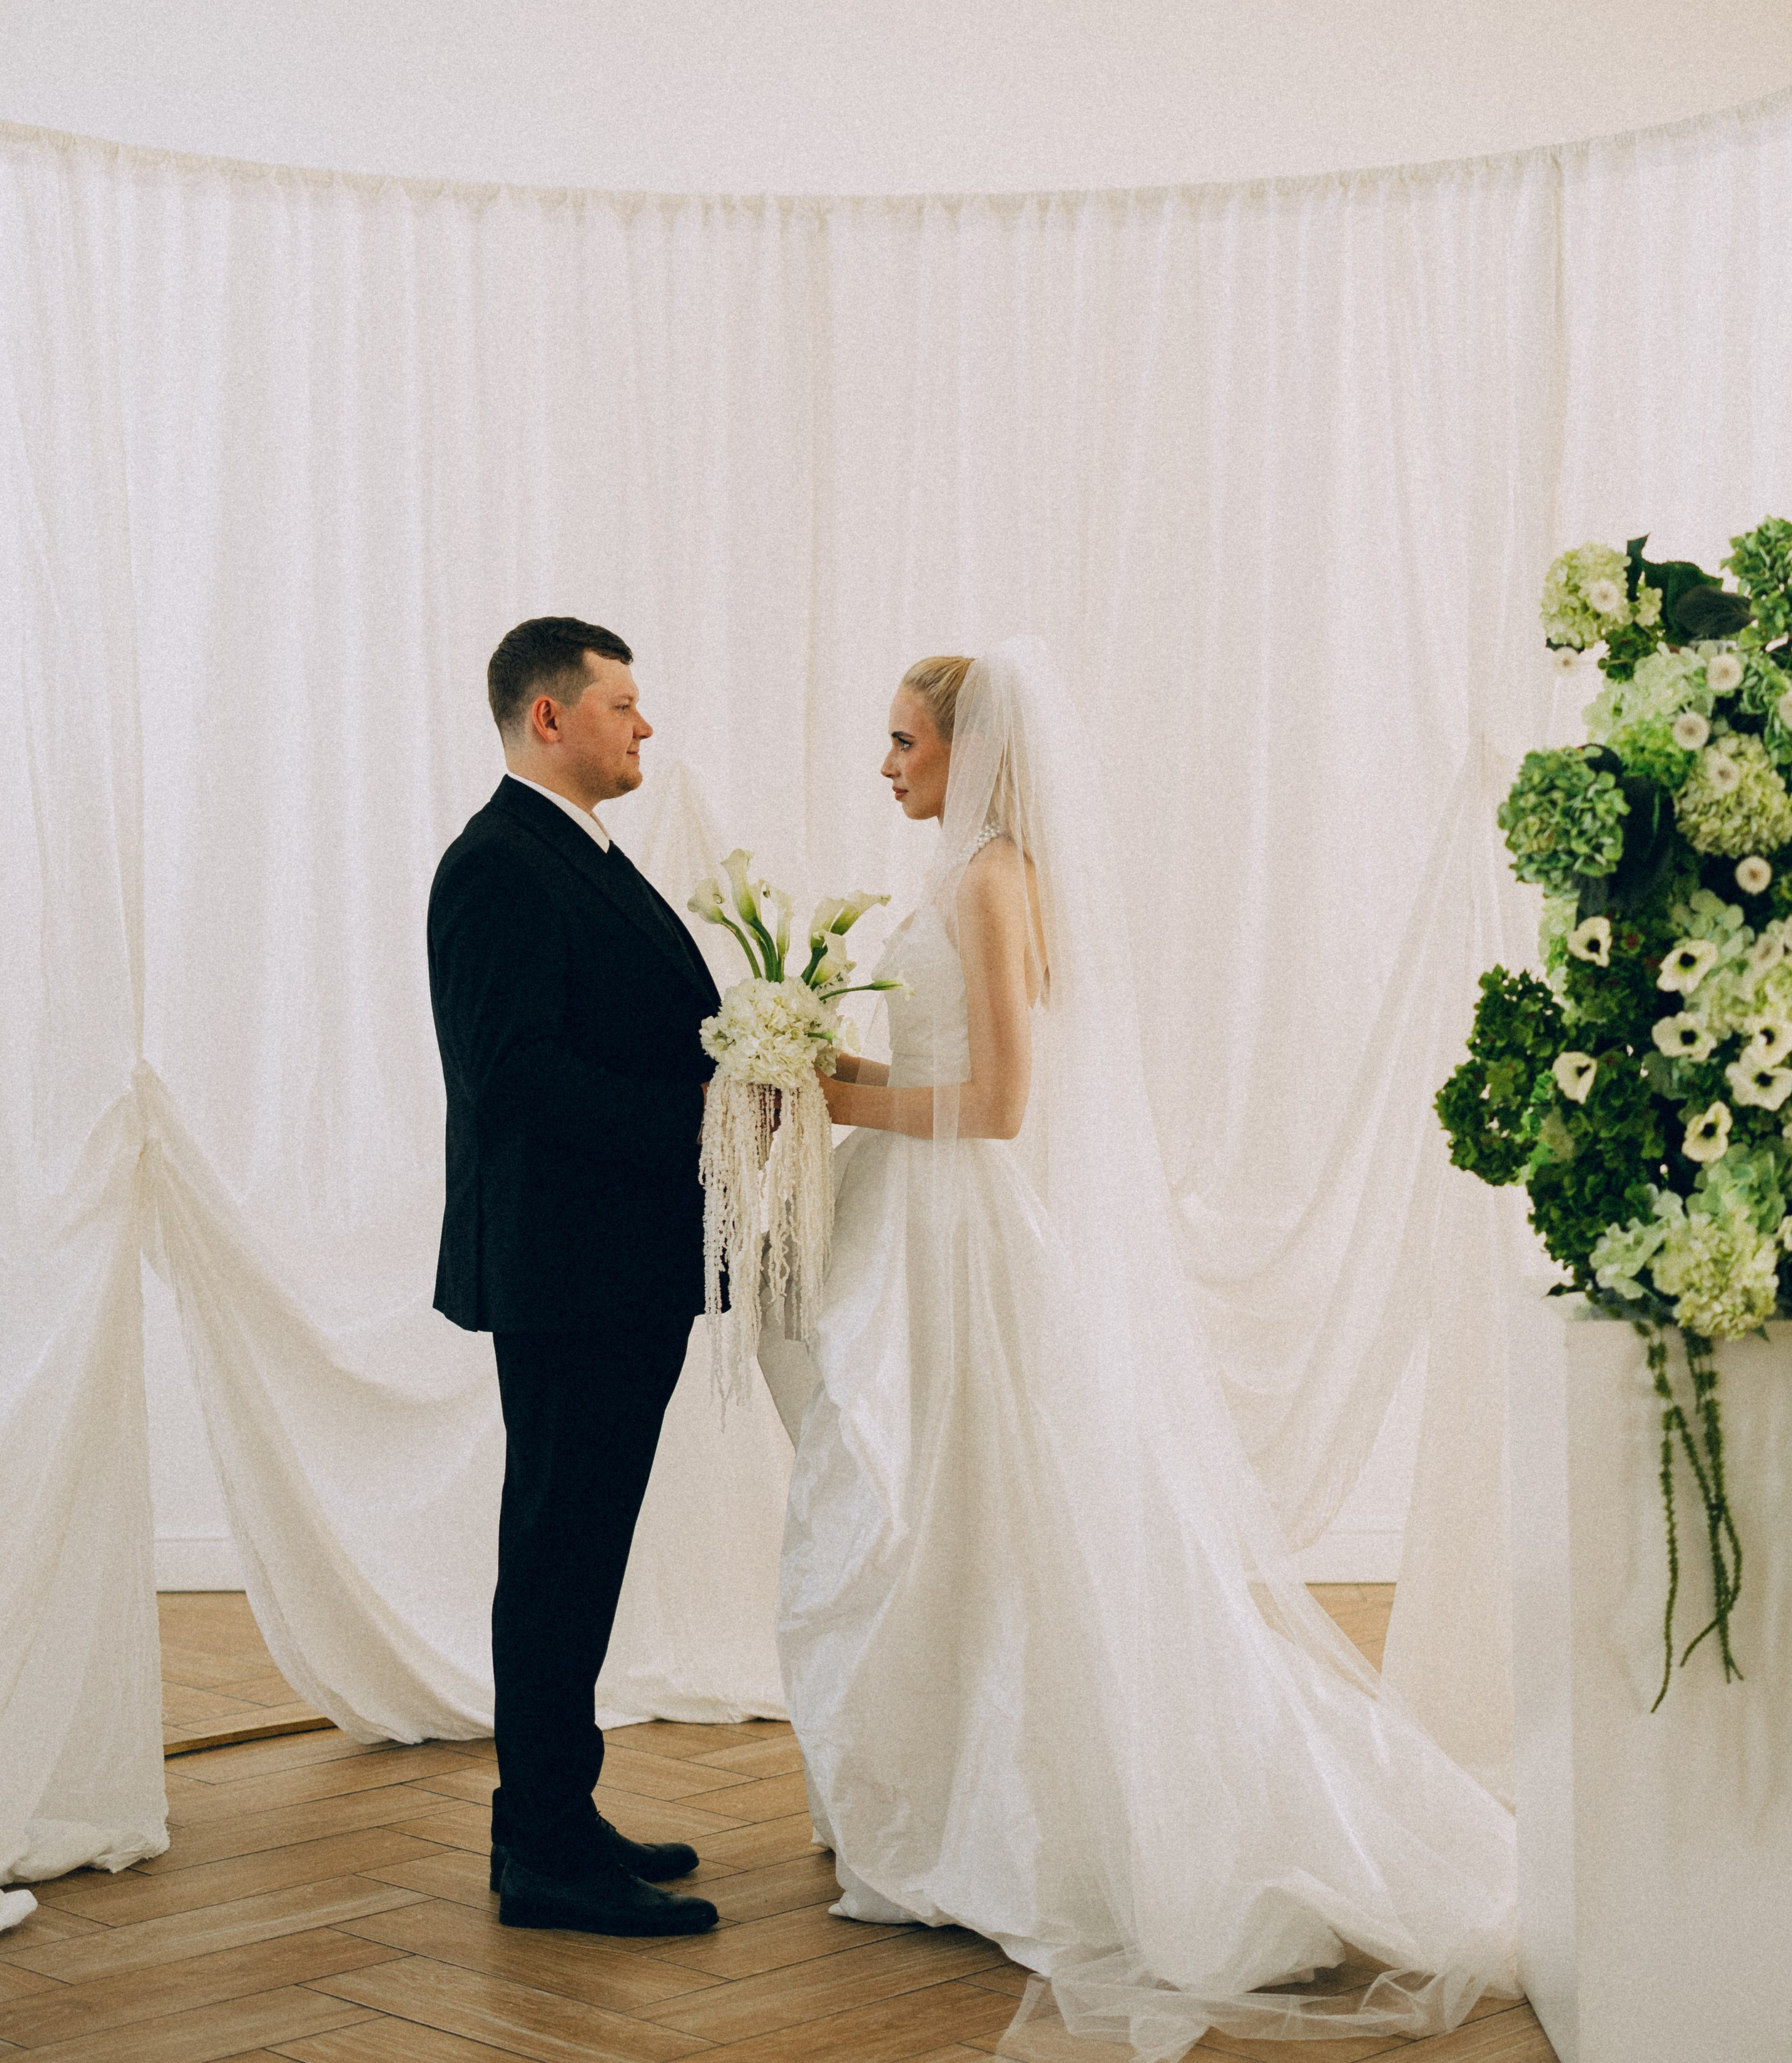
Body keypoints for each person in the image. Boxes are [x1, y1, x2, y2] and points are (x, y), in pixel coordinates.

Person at [778, 639, 1519, 2054]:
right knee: (938, 1525)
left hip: (968, 1242)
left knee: (987, 1517)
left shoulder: (992, 880)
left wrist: (850, 1106)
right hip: (928, 1239)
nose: (885, 766)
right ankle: (949, 1798)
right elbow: (941, 1074)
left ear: (969, 750)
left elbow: (997, 1106)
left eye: (902, 744)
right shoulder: (957, 876)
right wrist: (831, 1076)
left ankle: (1038, 1827)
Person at [428, 616, 721, 1938]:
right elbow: (516, 1076)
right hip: (568, 1272)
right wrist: (711, 1124)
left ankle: (553, 1815)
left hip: (616, 1267)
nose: (644, 726)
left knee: (578, 1551)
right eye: (624, 704)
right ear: (550, 719)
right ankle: (543, 1852)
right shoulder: (498, 864)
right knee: (554, 1552)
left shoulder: (577, 854)